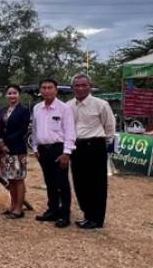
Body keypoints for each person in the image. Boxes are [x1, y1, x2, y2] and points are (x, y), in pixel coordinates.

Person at [67, 74, 115, 229]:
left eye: (84, 85)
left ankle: (96, 219)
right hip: (77, 147)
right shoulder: (68, 106)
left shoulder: (101, 104)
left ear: (90, 86)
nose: (80, 88)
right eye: (77, 85)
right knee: (80, 182)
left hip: (95, 146)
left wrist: (104, 144)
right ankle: (87, 214)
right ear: (72, 88)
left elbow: (109, 127)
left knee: (97, 184)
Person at [31, 78, 76, 229]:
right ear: (40, 90)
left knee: (62, 183)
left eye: (50, 87)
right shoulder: (37, 108)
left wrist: (67, 153)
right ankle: (53, 210)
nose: (46, 90)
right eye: (43, 88)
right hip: (43, 150)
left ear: (56, 90)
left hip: (59, 149)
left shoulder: (64, 108)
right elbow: (35, 130)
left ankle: (64, 214)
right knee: (49, 182)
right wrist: (35, 148)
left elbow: (70, 131)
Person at [0, 84, 31, 219]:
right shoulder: (2, 110)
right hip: (4, 150)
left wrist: (6, 141)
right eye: (9, 93)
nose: (12, 95)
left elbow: (23, 130)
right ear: (6, 95)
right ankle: (12, 205)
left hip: (17, 148)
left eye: (14, 93)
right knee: (10, 178)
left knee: (18, 179)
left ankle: (19, 208)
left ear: (19, 94)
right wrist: (0, 142)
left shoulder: (24, 110)